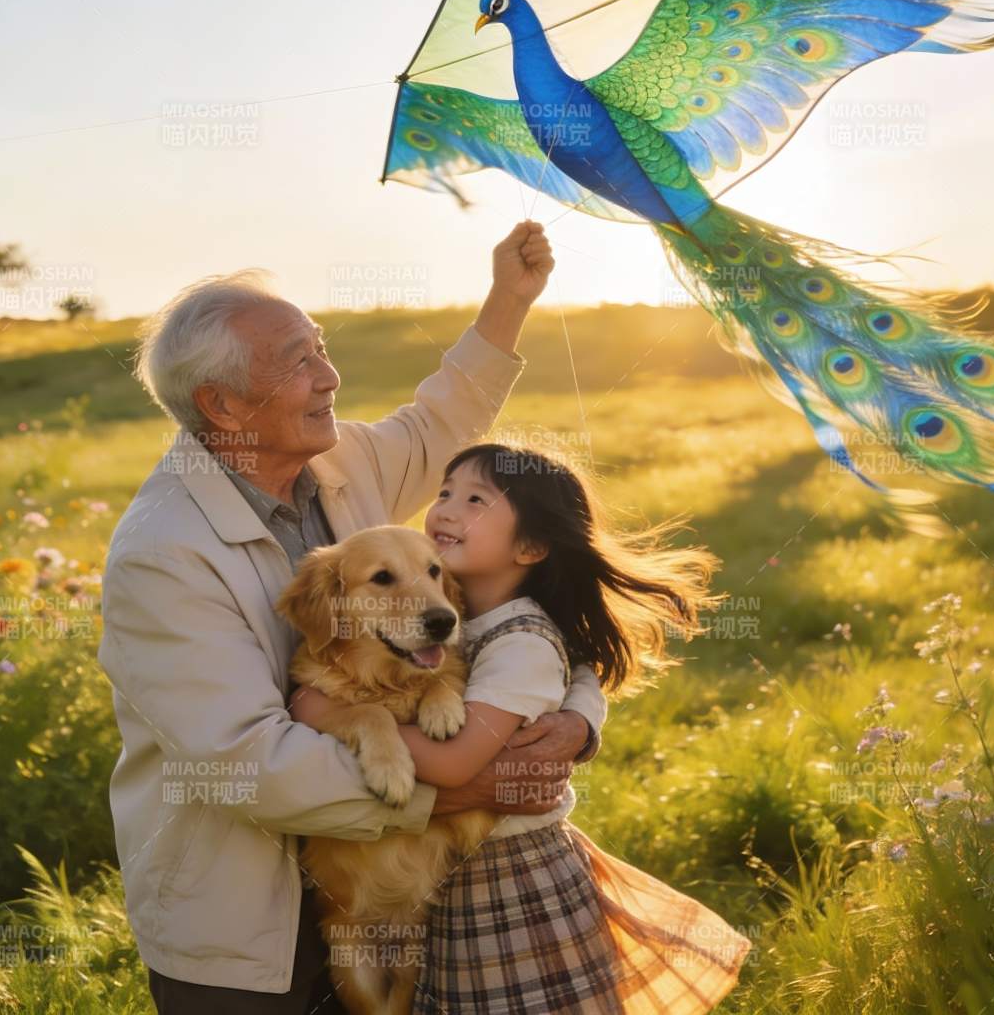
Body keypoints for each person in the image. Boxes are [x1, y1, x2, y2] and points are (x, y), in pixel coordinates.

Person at [99, 221, 611, 1013]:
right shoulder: (160, 555)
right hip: (247, 923)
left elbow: (447, 423)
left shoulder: (336, 463)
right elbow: (249, 765)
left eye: (321, 346)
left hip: (396, 892)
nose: (329, 375)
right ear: (224, 404)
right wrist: (475, 785)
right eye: (298, 362)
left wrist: (508, 299)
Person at [291, 442, 752, 1012]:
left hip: (513, 888)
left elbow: (456, 760)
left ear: (531, 546)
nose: (446, 512)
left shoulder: (519, 640)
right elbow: (568, 663)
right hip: (456, 888)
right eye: (445, 493)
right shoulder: (468, 615)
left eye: (477, 500)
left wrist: (315, 711)